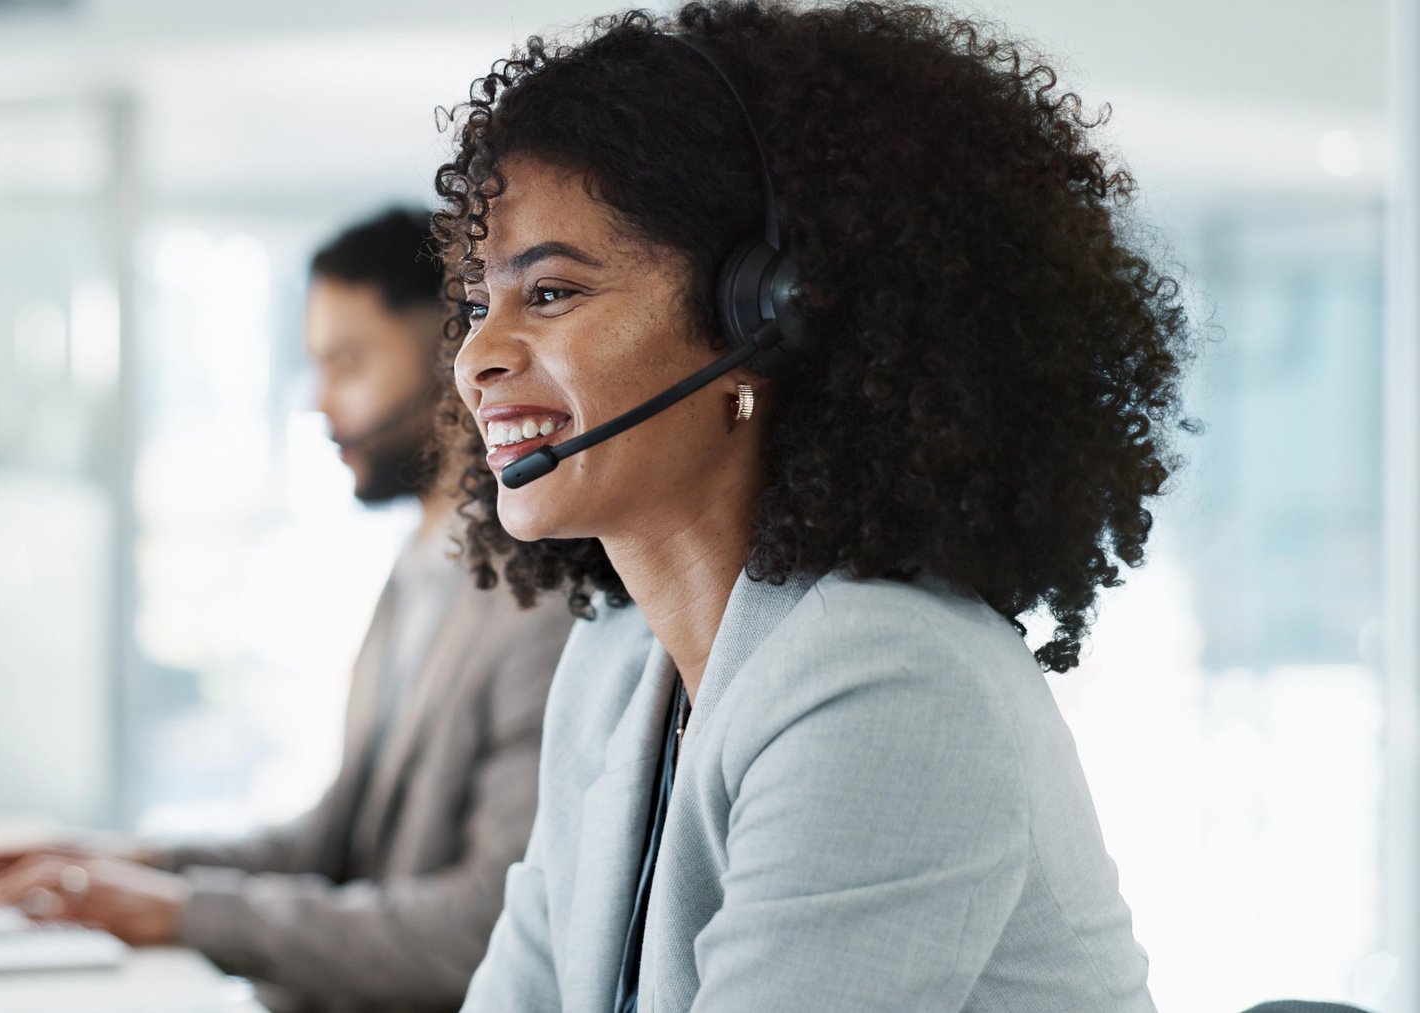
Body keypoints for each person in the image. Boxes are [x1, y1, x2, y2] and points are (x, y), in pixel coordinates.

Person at [435, 3, 1189, 1010]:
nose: (478, 356)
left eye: (554, 293)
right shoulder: (613, 666)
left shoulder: (890, 678)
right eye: (482, 303)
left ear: (769, 315)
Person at [0, 209, 574, 1013]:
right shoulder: (422, 569)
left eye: (348, 363)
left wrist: (178, 913)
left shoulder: (539, 603)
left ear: (450, 351)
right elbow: (332, 842)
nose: (320, 405)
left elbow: (481, 927)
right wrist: (113, 864)